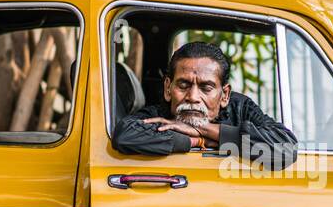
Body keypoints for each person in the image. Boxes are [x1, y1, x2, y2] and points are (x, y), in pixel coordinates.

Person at [112, 42, 297, 168]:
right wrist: (197, 141)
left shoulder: (239, 107)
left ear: (224, 94)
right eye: (183, 85)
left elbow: (286, 149)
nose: (192, 97)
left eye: (206, 87)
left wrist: (206, 130)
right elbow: (124, 135)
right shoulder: (159, 112)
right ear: (168, 88)